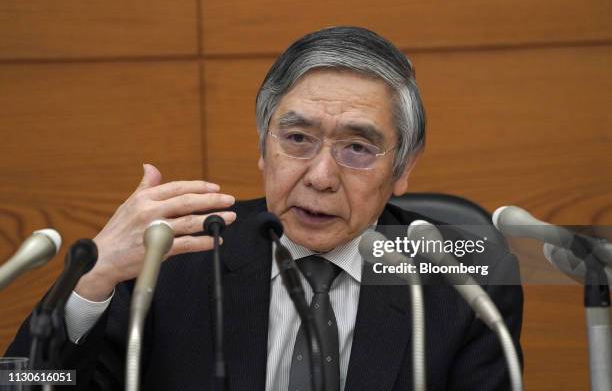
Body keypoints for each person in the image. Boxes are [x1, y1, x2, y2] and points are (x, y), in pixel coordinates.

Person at [6, 26, 523, 390]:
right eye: (297, 138)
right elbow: (22, 383)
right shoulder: (178, 257)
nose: (320, 177)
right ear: (262, 147)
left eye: (357, 148)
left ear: (404, 168)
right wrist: (89, 285)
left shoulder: (462, 274)